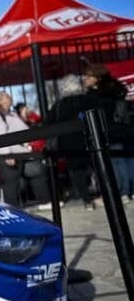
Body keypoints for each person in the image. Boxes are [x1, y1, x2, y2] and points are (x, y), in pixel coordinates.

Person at [0, 91, 51, 209]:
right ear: (0, 101)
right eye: (6, 96)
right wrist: (6, 154)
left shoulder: (11, 115)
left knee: (35, 173)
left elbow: (24, 131)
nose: (10, 97)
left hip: (19, 153)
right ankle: (12, 209)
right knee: (11, 184)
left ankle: (43, 201)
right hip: (6, 155)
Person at [84, 63, 133, 204]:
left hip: (109, 131)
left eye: (89, 76)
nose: (85, 79)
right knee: (122, 161)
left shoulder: (98, 95)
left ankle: (122, 192)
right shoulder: (115, 90)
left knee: (116, 162)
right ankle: (126, 191)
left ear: (97, 78)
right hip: (120, 130)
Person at [47, 75, 98, 209]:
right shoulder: (87, 100)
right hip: (89, 139)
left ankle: (86, 199)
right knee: (98, 166)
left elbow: (49, 123)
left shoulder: (59, 105)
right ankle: (105, 193)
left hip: (68, 143)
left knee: (77, 172)